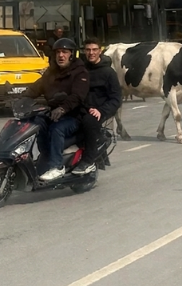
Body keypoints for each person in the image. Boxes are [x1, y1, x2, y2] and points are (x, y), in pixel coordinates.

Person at [23, 38, 89, 181]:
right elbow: (37, 87)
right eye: (58, 52)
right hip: (53, 113)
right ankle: (45, 156)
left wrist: (63, 108)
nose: (61, 55)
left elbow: (77, 96)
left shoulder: (80, 73)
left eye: (65, 52)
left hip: (74, 116)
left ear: (72, 55)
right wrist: (22, 97)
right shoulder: (51, 72)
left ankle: (57, 167)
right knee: (36, 122)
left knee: (57, 129)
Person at [73, 37, 121, 175]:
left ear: (100, 51)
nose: (91, 53)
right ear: (83, 51)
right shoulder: (81, 70)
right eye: (88, 50)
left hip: (99, 110)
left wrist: (102, 110)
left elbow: (116, 99)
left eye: (94, 50)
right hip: (82, 108)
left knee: (88, 121)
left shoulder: (108, 73)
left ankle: (88, 160)